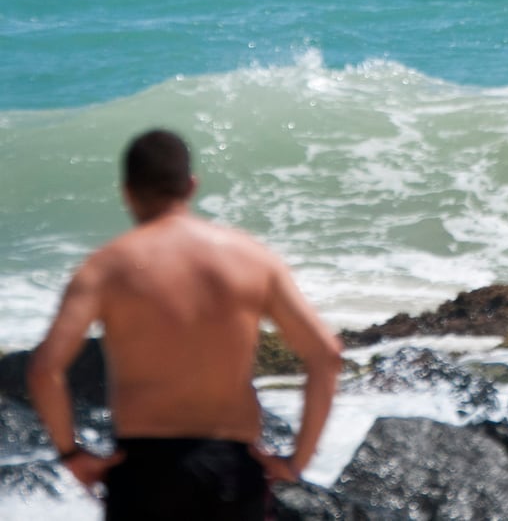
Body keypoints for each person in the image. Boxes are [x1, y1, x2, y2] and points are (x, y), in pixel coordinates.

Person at [28, 128, 343, 520]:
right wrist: (297, 460)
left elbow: (45, 370)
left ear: (126, 191)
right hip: (230, 469)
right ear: (191, 186)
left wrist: (72, 454)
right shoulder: (251, 259)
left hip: (144, 472)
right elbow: (326, 355)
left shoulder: (106, 267)